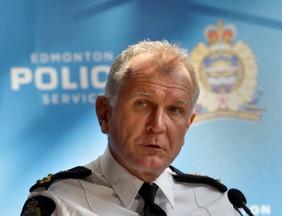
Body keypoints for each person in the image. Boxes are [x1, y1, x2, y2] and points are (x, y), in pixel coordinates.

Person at [21, 40, 241, 216]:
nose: (157, 126)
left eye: (174, 110)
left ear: (188, 124)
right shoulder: (58, 204)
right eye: (142, 104)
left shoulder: (216, 205)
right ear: (104, 113)